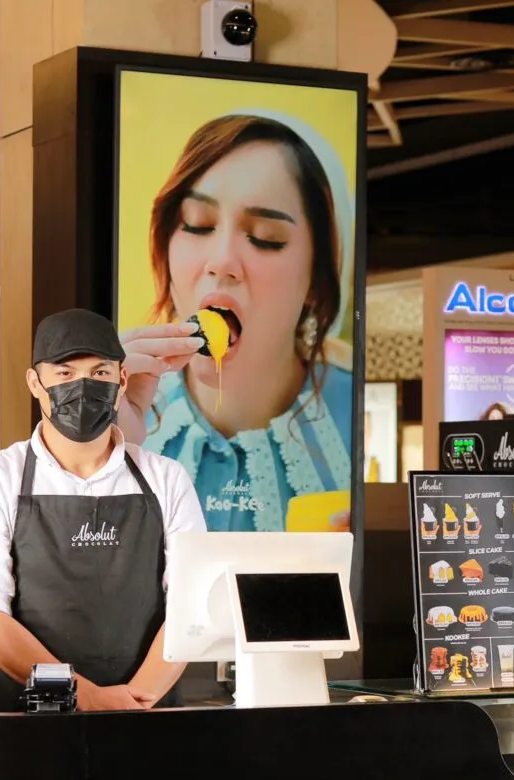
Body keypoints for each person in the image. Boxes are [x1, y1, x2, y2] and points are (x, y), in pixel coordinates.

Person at [0, 309, 205, 712]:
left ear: (122, 380)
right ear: (35, 383)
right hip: (21, 723)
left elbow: (192, 605)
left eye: (100, 372)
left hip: (144, 716)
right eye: (64, 373)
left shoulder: (167, 479)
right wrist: (88, 697)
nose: (83, 386)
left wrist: (134, 702)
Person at [119, 113, 354, 532]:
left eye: (265, 237)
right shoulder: (118, 411)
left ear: (317, 279)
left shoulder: (355, 411)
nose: (222, 261)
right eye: (197, 225)